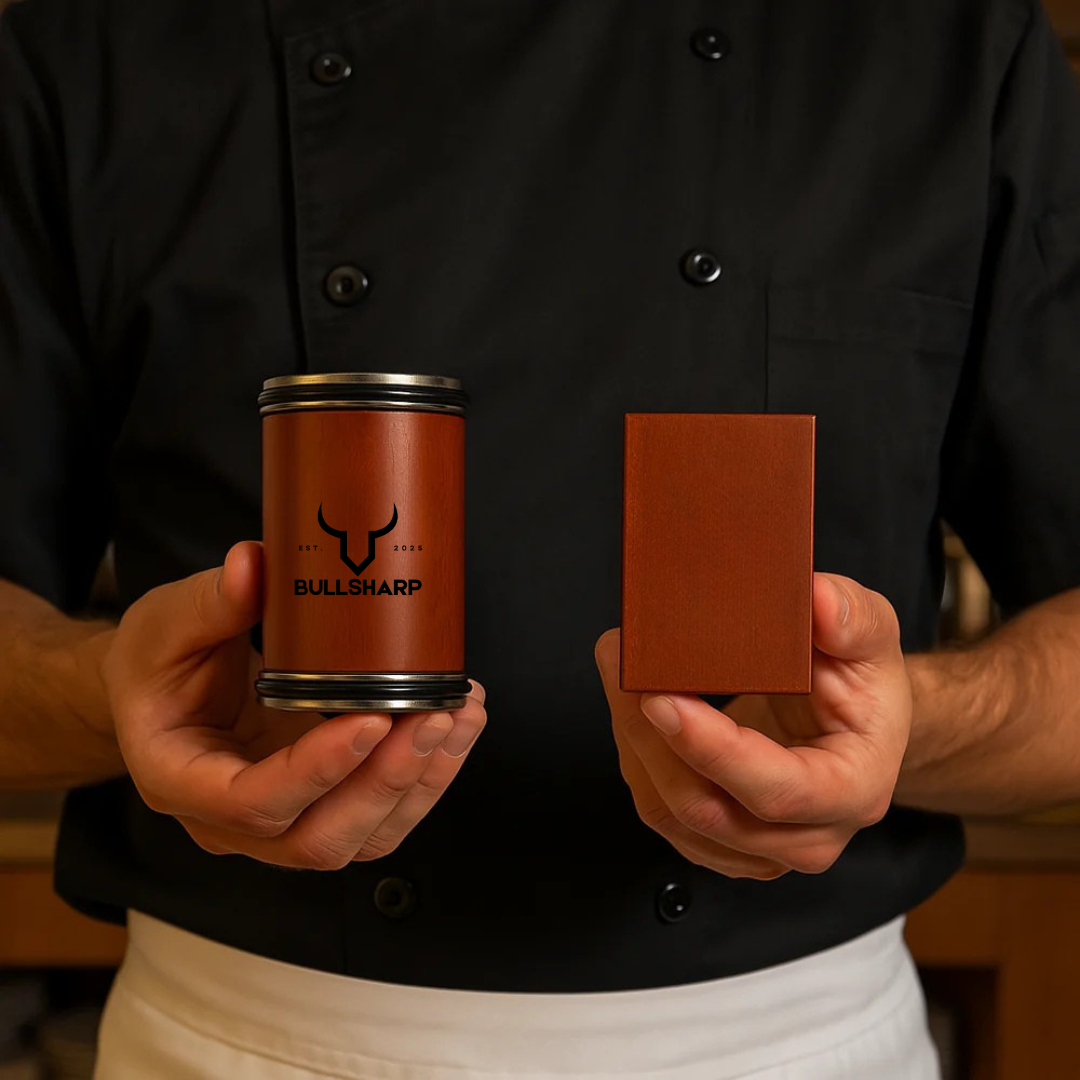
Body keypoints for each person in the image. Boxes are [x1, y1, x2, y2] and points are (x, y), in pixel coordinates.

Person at [1, 0, 1079, 1076]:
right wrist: (127, 697)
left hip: (795, 1046)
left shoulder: (950, 43)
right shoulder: (95, 47)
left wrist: (903, 727)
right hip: (243, 1042)